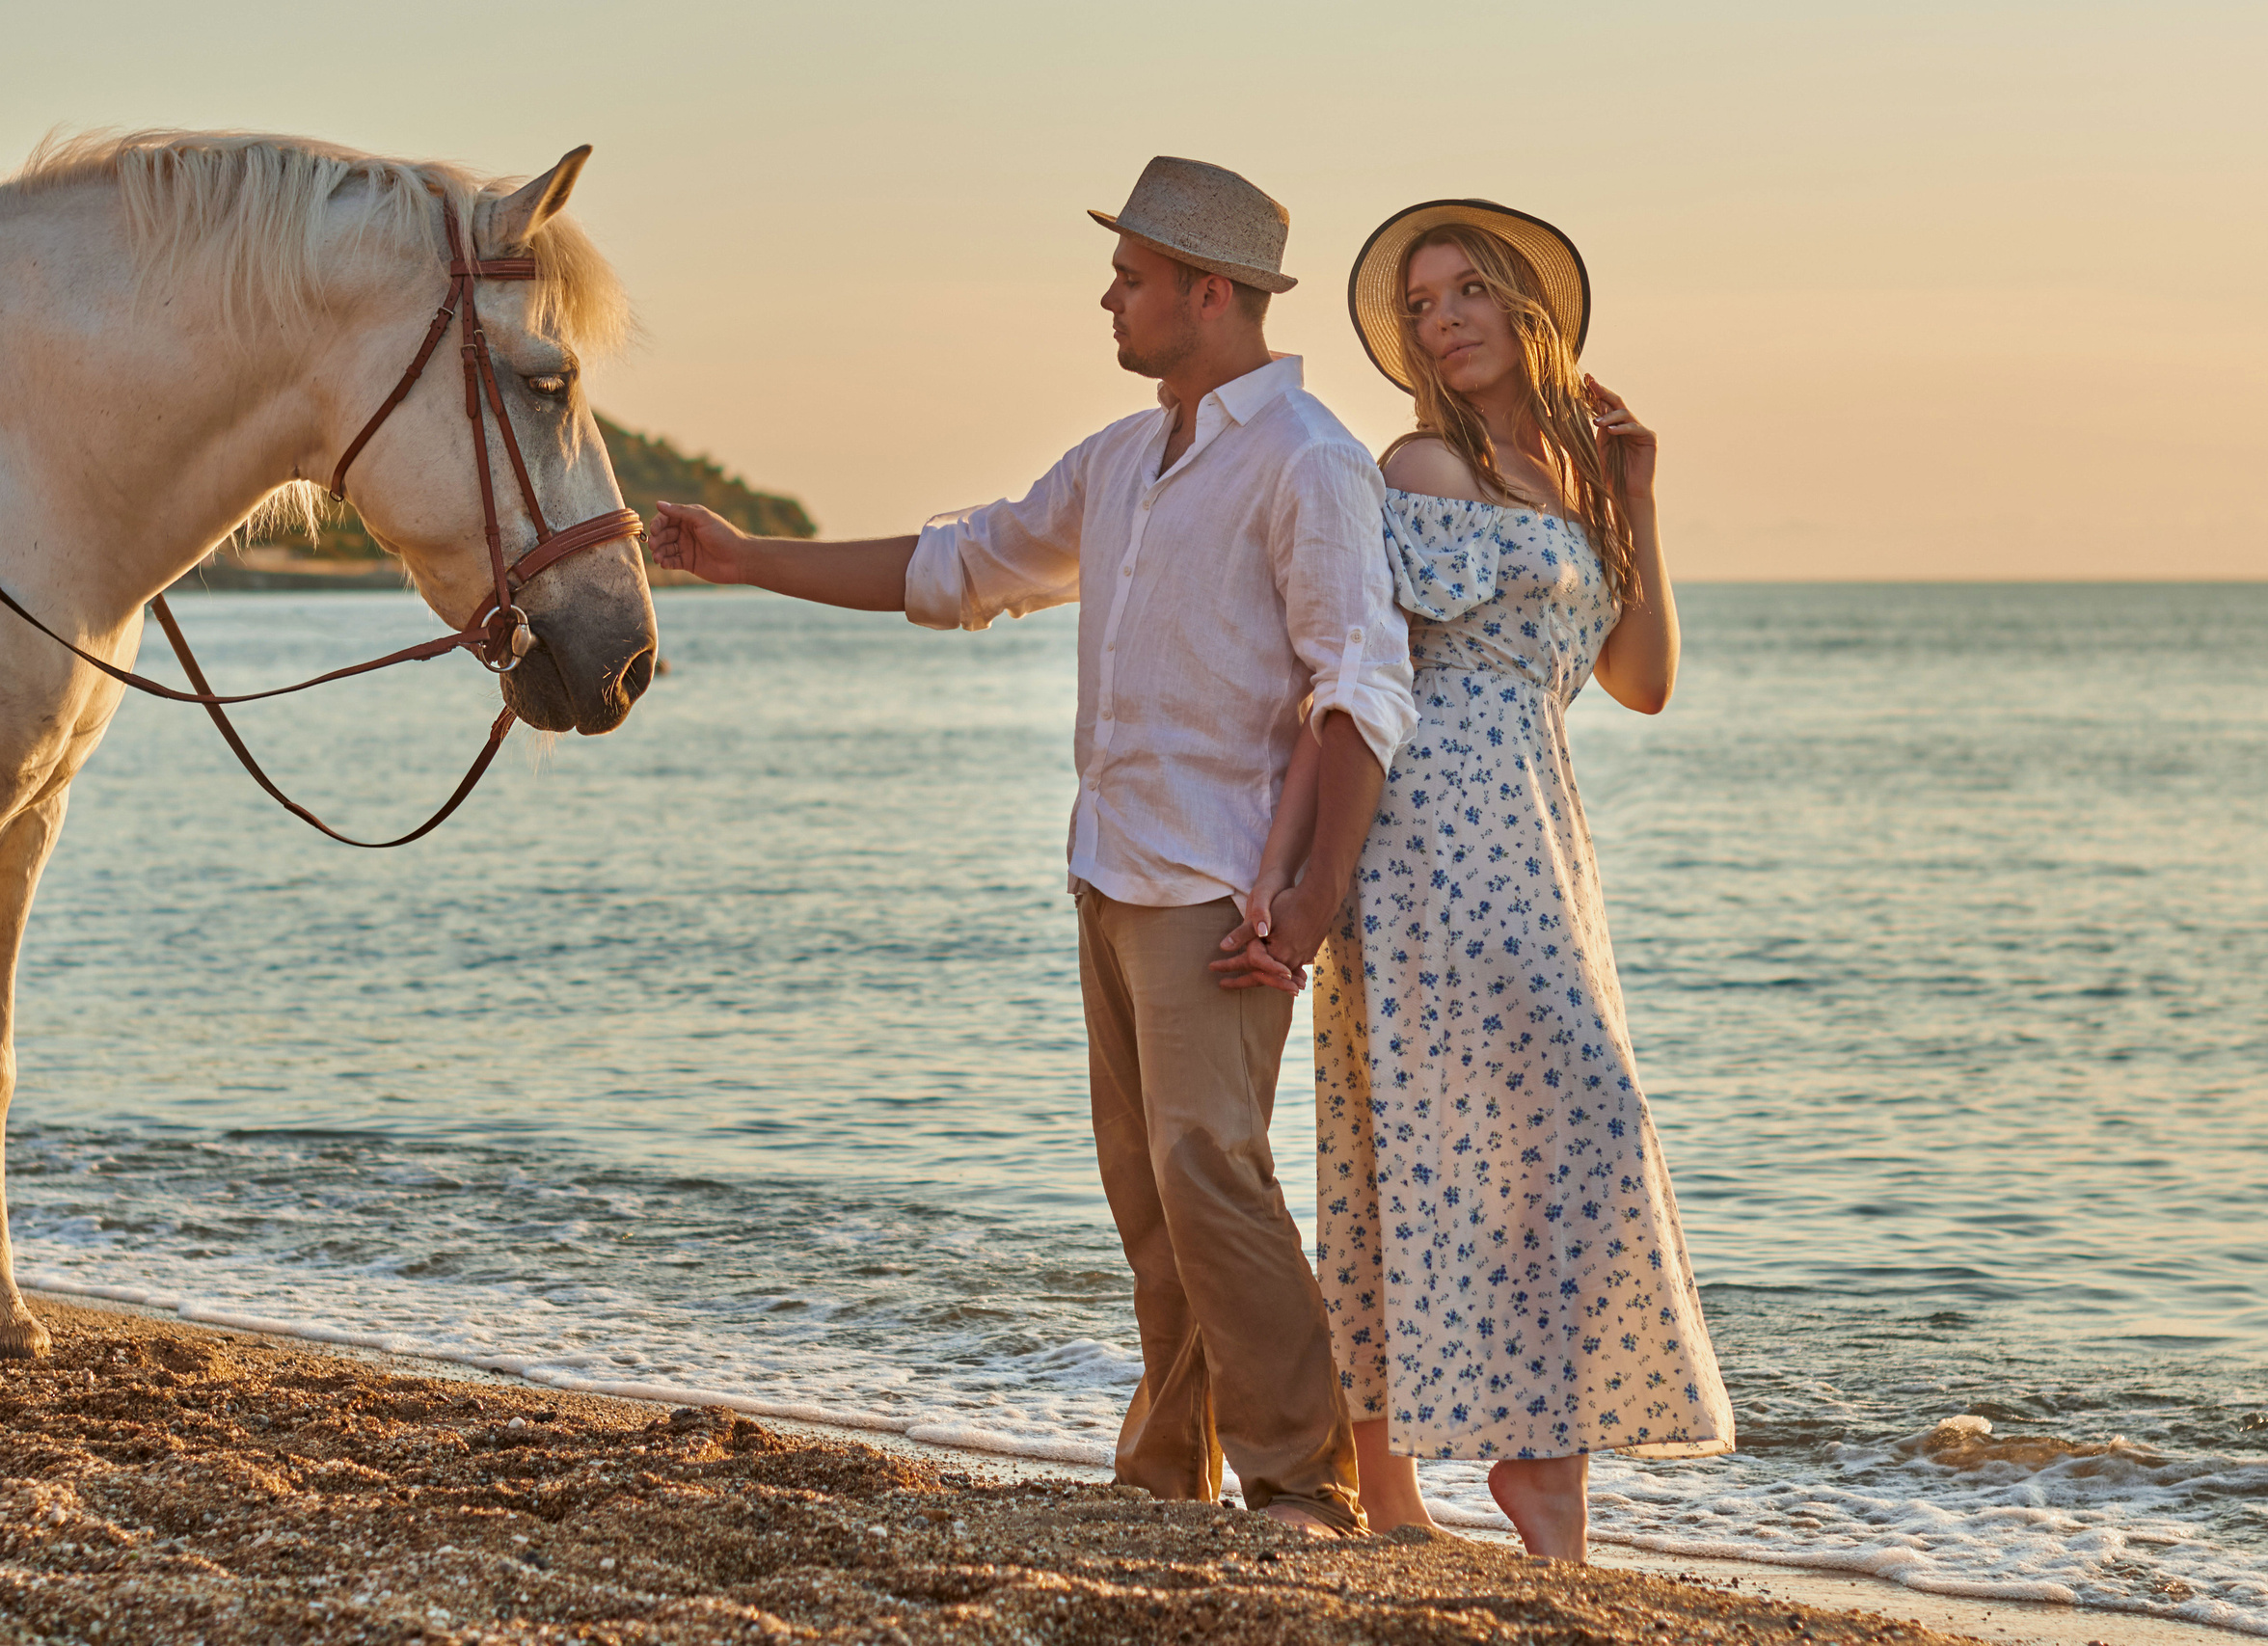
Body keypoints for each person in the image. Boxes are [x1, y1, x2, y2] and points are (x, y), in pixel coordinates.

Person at [647, 157, 1417, 1536]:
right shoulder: (1121, 461)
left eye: (1130, 277)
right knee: (1151, 1203)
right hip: (1108, 868)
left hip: (1217, 890)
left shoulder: (1310, 460)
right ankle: (1164, 1477)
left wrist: (1306, 904)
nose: (1109, 299)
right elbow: (960, 566)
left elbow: (1361, 687)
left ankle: (1305, 1485)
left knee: (1209, 1173)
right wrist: (745, 557)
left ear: (1210, 292)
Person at [1223, 200, 1733, 1559]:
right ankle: (1529, 1475)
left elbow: (1644, 680)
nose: (1442, 322)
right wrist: (1290, 871)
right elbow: (1352, 669)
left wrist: (1636, 495)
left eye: (1467, 294)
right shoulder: (1423, 464)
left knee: (1439, 1137)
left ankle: (1404, 1491)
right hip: (1432, 823)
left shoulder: (1570, 480)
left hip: (1537, 826)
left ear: (1527, 311)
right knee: (1550, 1117)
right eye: (1421, 304)